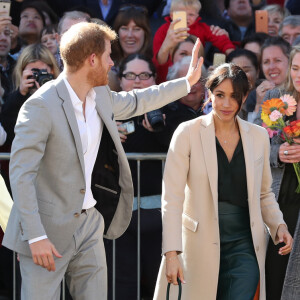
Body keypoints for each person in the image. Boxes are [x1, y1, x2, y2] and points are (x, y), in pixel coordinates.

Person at [2, 22, 203, 299]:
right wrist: (35, 236)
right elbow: (21, 174)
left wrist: (186, 83)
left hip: (89, 225)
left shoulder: (100, 96)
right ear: (92, 59)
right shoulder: (39, 105)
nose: (112, 63)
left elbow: (137, 100)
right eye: (109, 55)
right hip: (46, 230)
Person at [153, 63, 293, 300]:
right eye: (219, 95)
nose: (226, 104)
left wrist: (278, 225)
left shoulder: (258, 136)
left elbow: (263, 194)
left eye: (234, 97)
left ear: (245, 97)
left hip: (245, 247)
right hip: (197, 246)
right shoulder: (187, 132)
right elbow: (172, 199)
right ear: (210, 94)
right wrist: (171, 253)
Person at [104, 53, 167, 300]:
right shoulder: (102, 113)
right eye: (130, 75)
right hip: (118, 216)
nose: (138, 81)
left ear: (155, 80)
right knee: (122, 288)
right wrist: (106, 134)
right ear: (119, 81)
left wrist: (162, 130)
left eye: (144, 75)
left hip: (159, 217)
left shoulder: (171, 112)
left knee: (159, 285)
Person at [255, 45, 300, 300]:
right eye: (295, 68)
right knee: (275, 271)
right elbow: (258, 144)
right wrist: (278, 154)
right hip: (279, 199)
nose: (298, 75)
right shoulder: (276, 97)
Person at [153, 0, 235, 75]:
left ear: (197, 16)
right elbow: (158, 60)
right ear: (172, 15)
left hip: (195, 71)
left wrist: (232, 55)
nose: (186, 18)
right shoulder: (164, 30)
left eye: (191, 14)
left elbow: (220, 39)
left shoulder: (201, 28)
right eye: (182, 14)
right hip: (168, 75)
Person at [0, 43, 60, 146]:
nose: (37, 78)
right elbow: (8, 133)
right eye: (34, 73)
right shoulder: (15, 97)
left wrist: (47, 95)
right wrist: (20, 94)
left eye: (42, 72)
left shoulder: (61, 95)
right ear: (22, 72)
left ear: (52, 71)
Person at [109, 4, 152, 91]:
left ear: (145, 33)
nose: (130, 35)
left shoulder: (155, 63)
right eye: (124, 28)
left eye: (136, 29)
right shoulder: (108, 66)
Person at [250, 37, 291, 119]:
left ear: (290, 61)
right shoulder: (254, 96)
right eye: (266, 62)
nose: (271, 67)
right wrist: (259, 105)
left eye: (277, 60)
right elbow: (249, 130)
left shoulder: (297, 93)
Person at [227, 48, 260, 121]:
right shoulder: (224, 102)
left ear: (257, 72)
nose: (241, 75)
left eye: (246, 70)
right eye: (235, 71)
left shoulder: (268, 95)